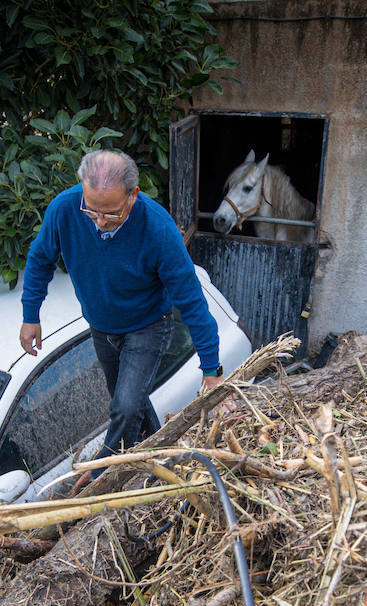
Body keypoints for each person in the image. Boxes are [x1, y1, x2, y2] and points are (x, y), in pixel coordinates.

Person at [19, 149, 224, 481]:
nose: (99, 223)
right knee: (131, 407)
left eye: (111, 215)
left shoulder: (157, 229)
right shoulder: (64, 209)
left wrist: (212, 369)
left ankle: (102, 473)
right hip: (101, 327)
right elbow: (40, 258)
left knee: (125, 407)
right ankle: (158, 463)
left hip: (147, 325)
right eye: (91, 211)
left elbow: (191, 300)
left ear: (133, 196)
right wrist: (31, 315)